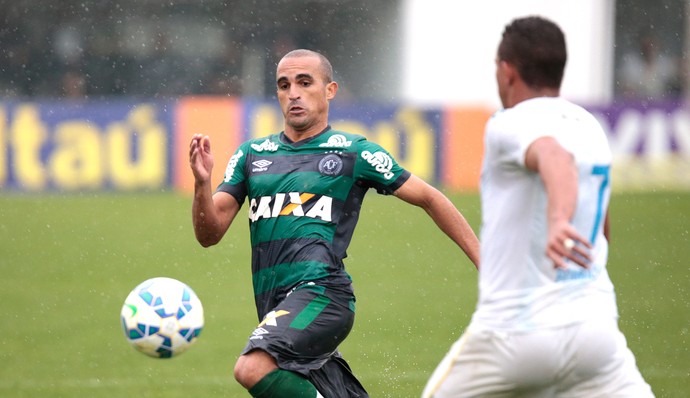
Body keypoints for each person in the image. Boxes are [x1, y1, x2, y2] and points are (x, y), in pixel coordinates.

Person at [189, 49, 480, 398]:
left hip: (323, 296)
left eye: (304, 82)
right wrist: (202, 184)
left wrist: (485, 263)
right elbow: (209, 234)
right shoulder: (252, 155)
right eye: (284, 85)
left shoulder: (352, 152)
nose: (293, 92)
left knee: (252, 368)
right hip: (278, 309)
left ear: (330, 90)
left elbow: (431, 198)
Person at [422, 16, 654, 397]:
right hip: (594, 333)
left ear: (506, 70)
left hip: (513, 336)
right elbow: (600, 226)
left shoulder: (508, 123)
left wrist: (558, 220)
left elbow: (553, 156)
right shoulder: (590, 125)